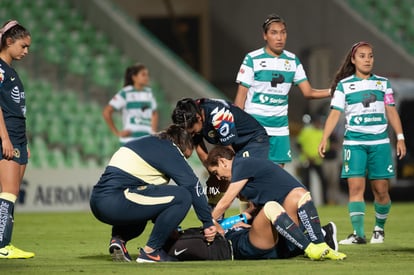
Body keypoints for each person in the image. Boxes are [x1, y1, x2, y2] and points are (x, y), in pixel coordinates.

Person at [318, 41, 407, 245]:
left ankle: (379, 229)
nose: (367, 60)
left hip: (380, 143)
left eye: (370, 56)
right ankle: (358, 234)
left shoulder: (383, 84)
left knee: (381, 190)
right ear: (353, 59)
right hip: (354, 143)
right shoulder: (344, 85)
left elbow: (391, 111)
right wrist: (324, 137)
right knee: (355, 188)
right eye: (362, 56)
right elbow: (335, 114)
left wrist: (400, 137)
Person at [89, 125, 217, 263]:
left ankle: (119, 240)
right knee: (183, 196)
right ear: (182, 144)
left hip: (100, 201)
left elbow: (158, 203)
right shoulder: (169, 149)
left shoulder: (147, 143)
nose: (184, 160)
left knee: (145, 203)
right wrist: (207, 222)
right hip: (117, 200)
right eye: (185, 156)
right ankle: (151, 252)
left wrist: (170, 227)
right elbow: (192, 185)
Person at [205, 146, 346, 260]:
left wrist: (209, 221)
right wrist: (245, 222)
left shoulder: (241, 165)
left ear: (222, 161)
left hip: (284, 219)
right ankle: (316, 241)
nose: (218, 177)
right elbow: (254, 208)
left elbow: (225, 202)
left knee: (298, 195)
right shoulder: (246, 169)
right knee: (295, 195)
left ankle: (319, 244)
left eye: (216, 172)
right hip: (281, 221)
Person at [234, 14, 331, 167]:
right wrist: (238, 129)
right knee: (252, 173)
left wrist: (334, 91)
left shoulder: (292, 60)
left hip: (280, 129)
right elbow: (240, 98)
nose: (279, 37)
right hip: (256, 126)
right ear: (265, 35)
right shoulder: (252, 59)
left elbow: (309, 92)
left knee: (278, 176)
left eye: (283, 32)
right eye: (274, 33)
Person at [171, 97, 269, 211]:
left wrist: (228, 178)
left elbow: (228, 155)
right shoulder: (192, 114)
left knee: (245, 183)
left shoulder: (218, 115)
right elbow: (200, 149)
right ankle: (215, 221)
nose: (191, 135)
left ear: (198, 118)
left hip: (252, 141)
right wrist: (213, 174)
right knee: (217, 182)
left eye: (192, 132)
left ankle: (252, 221)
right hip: (232, 146)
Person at [0, 20, 35, 259]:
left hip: (18, 137)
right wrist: (5, 139)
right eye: (23, 46)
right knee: (9, 191)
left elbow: (16, 108)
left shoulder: (10, 70)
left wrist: (25, 142)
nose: (26, 51)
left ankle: (4, 243)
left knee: (9, 193)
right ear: (9, 41)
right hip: (8, 136)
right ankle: (2, 245)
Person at [103, 63, 158, 145]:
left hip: (146, 139)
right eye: (143, 74)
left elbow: (154, 113)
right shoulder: (126, 92)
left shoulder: (149, 93)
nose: (147, 77)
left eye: (147, 75)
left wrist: (153, 131)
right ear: (134, 77)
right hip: (130, 140)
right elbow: (107, 112)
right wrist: (117, 132)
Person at [296, 114, 328, 204]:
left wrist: (316, 156)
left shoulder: (322, 133)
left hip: (317, 160)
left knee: (323, 181)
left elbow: (326, 148)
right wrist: (307, 155)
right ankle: (308, 201)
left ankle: (325, 201)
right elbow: (299, 144)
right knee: (306, 182)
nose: (319, 124)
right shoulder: (306, 131)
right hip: (306, 160)